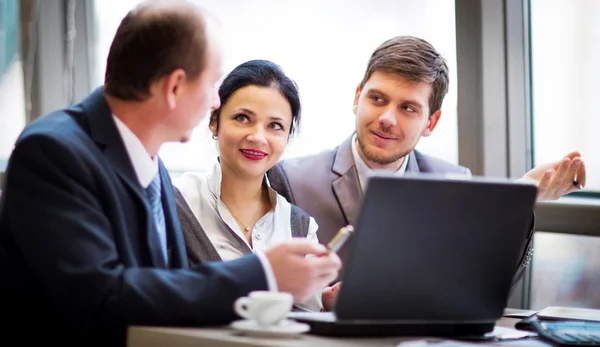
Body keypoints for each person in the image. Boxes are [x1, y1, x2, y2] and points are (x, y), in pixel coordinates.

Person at [0, 1, 340, 345]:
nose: (215, 103)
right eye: (212, 84)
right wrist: (264, 272)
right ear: (175, 87)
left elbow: (170, 293)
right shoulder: (54, 152)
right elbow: (101, 299)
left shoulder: (153, 166)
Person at [267, 35, 586, 306]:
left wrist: (519, 203)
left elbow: (481, 289)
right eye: (377, 99)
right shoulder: (291, 179)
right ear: (357, 98)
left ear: (431, 122)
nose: (387, 118)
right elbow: (267, 292)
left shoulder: (456, 183)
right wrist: (316, 300)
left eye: (408, 108)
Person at [173, 59, 324, 311]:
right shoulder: (174, 202)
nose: (257, 137)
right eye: (242, 118)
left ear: (288, 136)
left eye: (275, 126)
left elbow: (308, 319)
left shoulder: (300, 227)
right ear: (214, 121)